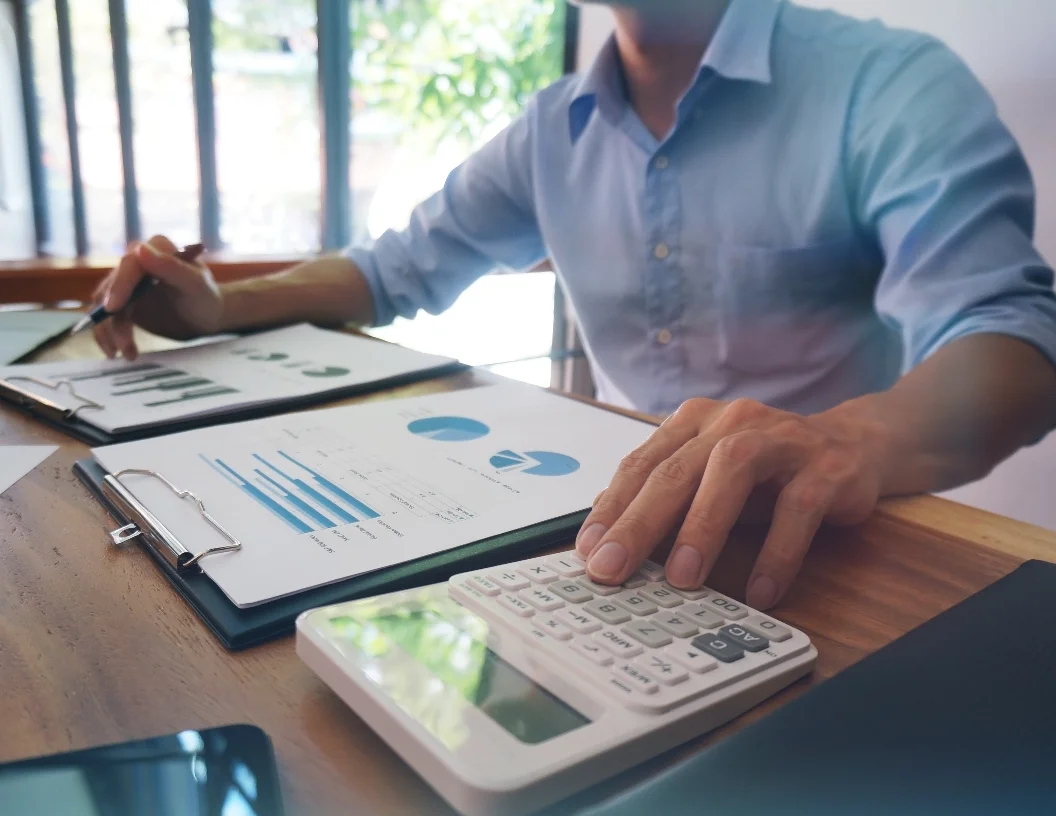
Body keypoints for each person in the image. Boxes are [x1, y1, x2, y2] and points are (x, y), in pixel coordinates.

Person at [92, 0, 1056, 609]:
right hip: (604, 536)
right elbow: (393, 268)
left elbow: (1014, 340)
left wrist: (851, 439)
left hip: (830, 560)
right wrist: (220, 309)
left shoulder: (888, 85)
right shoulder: (552, 129)